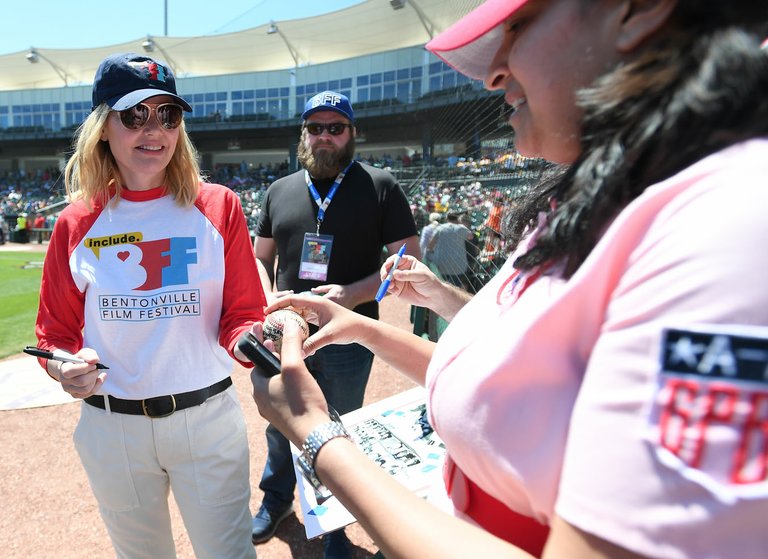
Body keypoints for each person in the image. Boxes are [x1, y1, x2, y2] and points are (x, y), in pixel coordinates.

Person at [251, 1, 768, 558]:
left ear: (637, 10)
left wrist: (318, 434)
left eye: (517, 28)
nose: (494, 71)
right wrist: (365, 327)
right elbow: (507, 380)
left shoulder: (729, 224)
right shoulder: (598, 194)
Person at [34, 53, 265, 559]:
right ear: (102, 129)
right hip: (111, 426)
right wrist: (65, 368)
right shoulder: (75, 223)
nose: (153, 129)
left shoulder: (219, 206)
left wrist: (253, 342)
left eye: (168, 115)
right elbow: (55, 334)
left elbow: (243, 314)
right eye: (134, 115)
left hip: (205, 420)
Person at [251, 90, 420, 558]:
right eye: (315, 128)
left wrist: (351, 295)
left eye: (335, 127)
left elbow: (407, 260)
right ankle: (277, 500)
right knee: (279, 425)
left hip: (348, 334)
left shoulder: (380, 185)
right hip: (285, 333)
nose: (324, 136)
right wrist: (267, 297)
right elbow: (260, 257)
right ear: (303, 134)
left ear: (351, 133)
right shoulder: (279, 189)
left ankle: (336, 528)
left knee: (337, 431)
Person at [428, 211, 473, 289]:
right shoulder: (461, 228)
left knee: (442, 286)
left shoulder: (440, 228)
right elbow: (470, 236)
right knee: (456, 287)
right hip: (458, 266)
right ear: (458, 219)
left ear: (446, 218)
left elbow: (430, 245)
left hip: (441, 264)